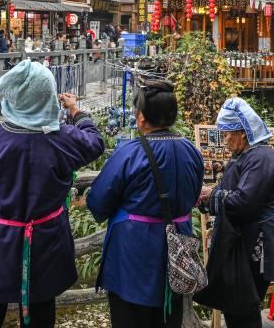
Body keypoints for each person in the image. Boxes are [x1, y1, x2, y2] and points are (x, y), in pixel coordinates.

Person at [0, 59, 105, 328]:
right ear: (47, 96)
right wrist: (75, 111)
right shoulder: (63, 139)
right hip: (44, 241)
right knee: (41, 309)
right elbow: (95, 143)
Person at [87, 81, 204, 328]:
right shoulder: (192, 152)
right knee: (169, 316)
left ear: (140, 117)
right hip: (177, 250)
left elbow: (98, 202)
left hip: (133, 253)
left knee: (130, 317)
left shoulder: (130, 152)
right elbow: (193, 196)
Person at [202, 97, 274, 328]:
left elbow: (244, 201)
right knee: (235, 303)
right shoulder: (243, 157)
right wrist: (207, 198)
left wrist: (210, 196)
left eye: (227, 134)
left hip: (258, 241)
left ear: (242, 133)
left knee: (243, 304)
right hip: (244, 239)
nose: (225, 140)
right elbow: (229, 191)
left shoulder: (261, 157)